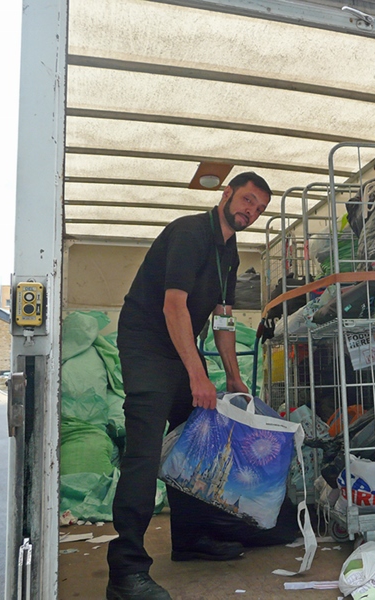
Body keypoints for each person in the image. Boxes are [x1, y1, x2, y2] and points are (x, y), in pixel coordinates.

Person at [106, 172, 271, 600]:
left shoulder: (229, 252)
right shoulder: (188, 233)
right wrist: (197, 374)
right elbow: (173, 305)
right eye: (247, 200)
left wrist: (233, 376)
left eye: (258, 208)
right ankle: (125, 571)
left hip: (179, 350)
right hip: (146, 344)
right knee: (144, 450)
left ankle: (190, 539)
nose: (250, 211)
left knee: (197, 438)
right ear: (227, 193)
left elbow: (222, 317)